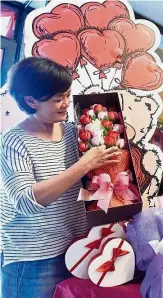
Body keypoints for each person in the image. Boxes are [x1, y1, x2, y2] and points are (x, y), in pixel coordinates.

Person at [0, 57, 121, 298]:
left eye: (67, 95)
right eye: (58, 99)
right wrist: (83, 164)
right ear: (30, 100)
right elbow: (25, 201)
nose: (67, 104)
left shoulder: (73, 132)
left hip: (76, 247)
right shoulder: (13, 141)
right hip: (34, 257)